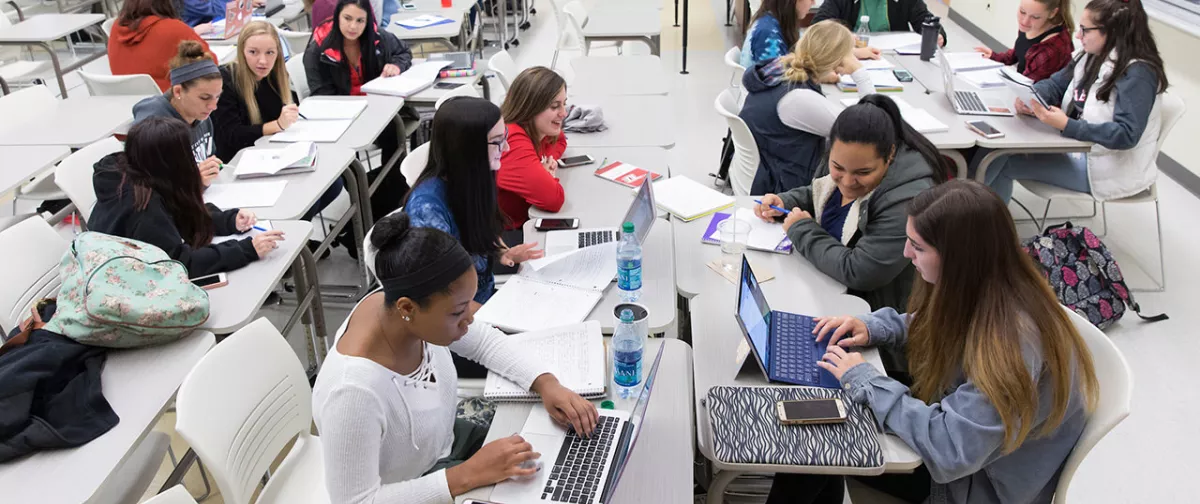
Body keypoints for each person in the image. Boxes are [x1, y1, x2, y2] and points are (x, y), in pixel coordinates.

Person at [766, 179, 1099, 504]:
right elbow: (940, 323)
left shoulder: (1013, 346)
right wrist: (876, 327)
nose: (906, 252)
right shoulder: (995, 285)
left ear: (960, 258)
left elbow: (951, 450)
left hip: (967, 486)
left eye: (919, 246)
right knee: (821, 424)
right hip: (960, 438)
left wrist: (866, 380)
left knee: (814, 442)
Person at [313, 211, 598, 504]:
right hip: (412, 486)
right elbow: (356, 502)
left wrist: (546, 382)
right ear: (407, 308)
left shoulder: (400, 307)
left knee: (559, 464)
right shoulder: (351, 394)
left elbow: (485, 342)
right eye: (457, 312)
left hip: (444, 447)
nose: (469, 320)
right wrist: (468, 475)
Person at [754, 94, 951, 312]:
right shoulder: (845, 160)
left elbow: (860, 271)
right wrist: (786, 202)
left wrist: (802, 230)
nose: (847, 182)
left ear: (890, 155)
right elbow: (822, 193)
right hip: (824, 285)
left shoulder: (908, 201)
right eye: (837, 168)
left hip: (872, 313)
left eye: (863, 172)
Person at [976, 0, 1168, 203]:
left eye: (1085, 30)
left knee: (999, 160)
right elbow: (1055, 84)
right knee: (993, 150)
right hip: (1076, 147)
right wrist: (1031, 97)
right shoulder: (1091, 55)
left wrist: (1068, 125)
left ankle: (980, 223)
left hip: (1105, 170)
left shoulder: (1138, 74)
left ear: (1111, 32)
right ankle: (969, 215)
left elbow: (1127, 135)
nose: (1077, 36)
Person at [90, 116, 286, 277]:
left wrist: (229, 220)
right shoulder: (143, 207)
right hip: (129, 288)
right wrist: (247, 250)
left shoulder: (142, 174)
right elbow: (178, 263)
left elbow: (178, 210)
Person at [404, 96, 543, 313]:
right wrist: (502, 318)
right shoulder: (426, 212)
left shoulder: (474, 179)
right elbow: (442, 303)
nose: (505, 148)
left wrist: (501, 252)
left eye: (504, 137)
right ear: (467, 148)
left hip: (483, 301)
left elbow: (481, 226)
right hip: (462, 319)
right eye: (497, 141)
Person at [212, 21, 345, 246]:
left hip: (271, 157)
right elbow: (231, 136)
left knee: (333, 184)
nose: (262, 60)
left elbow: (282, 119)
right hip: (239, 167)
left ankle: (293, 237)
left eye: (270, 53)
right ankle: (287, 241)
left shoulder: (275, 76)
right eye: (253, 52)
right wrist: (277, 125)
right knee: (308, 194)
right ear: (241, 51)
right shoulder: (226, 80)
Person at [305, 0, 414, 256]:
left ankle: (368, 222)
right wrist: (355, 108)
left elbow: (403, 52)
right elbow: (321, 96)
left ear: (368, 22)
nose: (353, 26)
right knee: (357, 170)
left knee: (397, 152)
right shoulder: (318, 49)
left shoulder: (377, 39)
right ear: (336, 18)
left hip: (376, 115)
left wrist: (396, 65)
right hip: (339, 122)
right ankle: (365, 225)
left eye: (360, 21)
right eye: (347, 19)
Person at [741, 21, 878, 195]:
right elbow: (871, 128)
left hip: (771, 166)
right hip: (785, 187)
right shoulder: (798, 99)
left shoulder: (780, 70)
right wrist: (859, 71)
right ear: (837, 60)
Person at [132, 40, 223, 188]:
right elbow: (147, 190)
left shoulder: (201, 115)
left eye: (217, 96)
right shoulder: (155, 127)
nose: (214, 106)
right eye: (205, 98)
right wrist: (194, 182)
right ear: (178, 91)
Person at [496, 67, 568, 229]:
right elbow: (553, 200)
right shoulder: (512, 142)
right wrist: (545, 176)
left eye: (564, 104)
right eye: (555, 106)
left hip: (521, 221)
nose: (564, 113)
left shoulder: (536, 129)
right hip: (503, 235)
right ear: (530, 108)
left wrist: (545, 162)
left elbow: (560, 141)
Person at [108, 0, 215, 90]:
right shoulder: (173, 28)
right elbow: (211, 64)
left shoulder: (116, 27)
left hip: (125, 103)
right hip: (168, 106)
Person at [741, 0, 879, 69]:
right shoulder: (768, 34)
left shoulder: (778, 23)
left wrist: (851, 52)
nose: (813, 3)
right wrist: (822, 76)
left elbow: (809, 50)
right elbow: (779, 81)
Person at [973, 0, 1074, 82]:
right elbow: (1020, 52)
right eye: (1022, 11)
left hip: (1036, 100)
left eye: (1035, 17)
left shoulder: (1053, 48)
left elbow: (1030, 88)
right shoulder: (1030, 26)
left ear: (1052, 13)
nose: (1024, 21)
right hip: (1022, 88)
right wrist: (995, 56)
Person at [813, 0, 946, 47]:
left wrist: (937, 35)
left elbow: (924, 18)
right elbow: (818, 26)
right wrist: (844, 38)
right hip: (850, 54)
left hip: (893, 57)